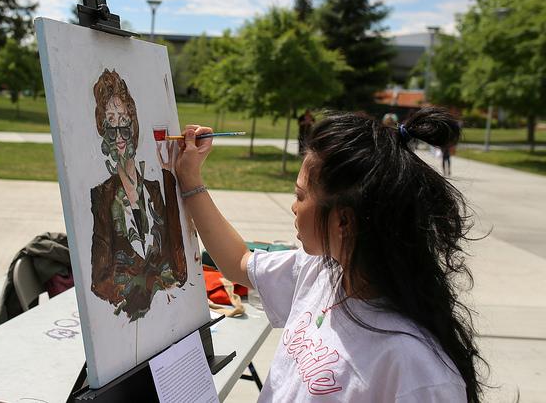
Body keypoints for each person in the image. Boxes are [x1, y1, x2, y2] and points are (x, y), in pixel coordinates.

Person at [175, 107, 485, 402]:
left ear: (344, 221)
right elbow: (239, 263)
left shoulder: (416, 370)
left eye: (300, 195)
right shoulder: (321, 270)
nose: (294, 207)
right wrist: (191, 179)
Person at [89, 68, 186, 321]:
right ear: (103, 128)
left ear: (133, 124)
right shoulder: (103, 196)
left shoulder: (155, 188)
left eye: (123, 119)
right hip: (125, 317)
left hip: (170, 308)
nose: (118, 130)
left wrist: (168, 174)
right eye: (110, 121)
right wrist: (136, 289)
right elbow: (100, 278)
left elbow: (177, 252)